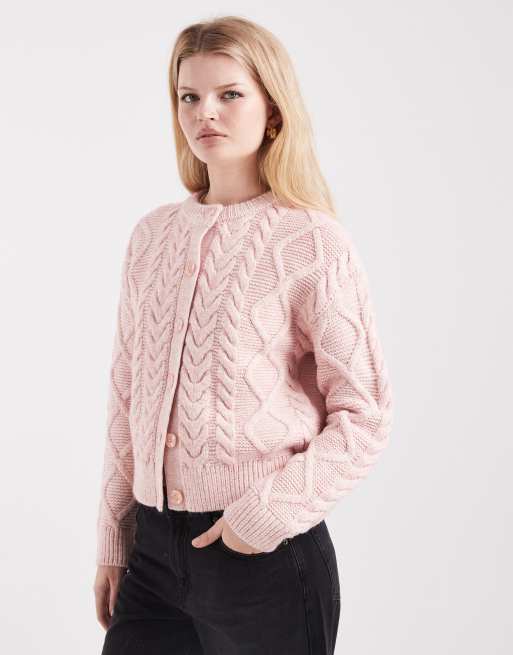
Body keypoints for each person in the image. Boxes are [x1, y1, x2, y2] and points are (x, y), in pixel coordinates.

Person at [93, 15, 393, 655]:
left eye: (230, 94)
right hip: (151, 558)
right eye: (189, 96)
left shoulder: (311, 241)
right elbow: (127, 398)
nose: (205, 113)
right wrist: (115, 540)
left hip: (263, 556)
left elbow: (364, 415)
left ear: (273, 110)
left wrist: (263, 517)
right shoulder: (151, 237)